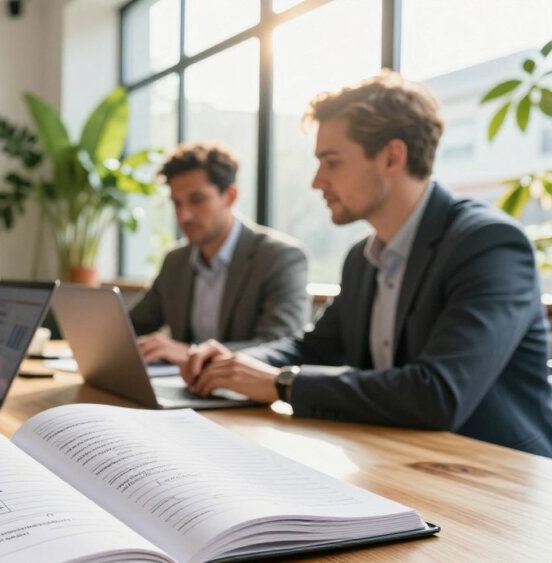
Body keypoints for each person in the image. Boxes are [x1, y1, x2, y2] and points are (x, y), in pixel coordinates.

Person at [183, 71, 552, 457]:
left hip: (496, 477)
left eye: (332, 162)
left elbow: (438, 394)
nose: (316, 181)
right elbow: (314, 348)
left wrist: (282, 383)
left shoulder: (487, 244)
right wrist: (234, 364)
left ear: (392, 156)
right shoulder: (363, 258)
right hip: (396, 457)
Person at [129, 142, 309, 365]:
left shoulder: (279, 258)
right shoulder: (176, 261)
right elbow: (132, 326)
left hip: (246, 394)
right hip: (181, 389)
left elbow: (279, 345)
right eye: (177, 203)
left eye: (197, 200)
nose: (184, 215)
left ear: (230, 196)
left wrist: (190, 352)